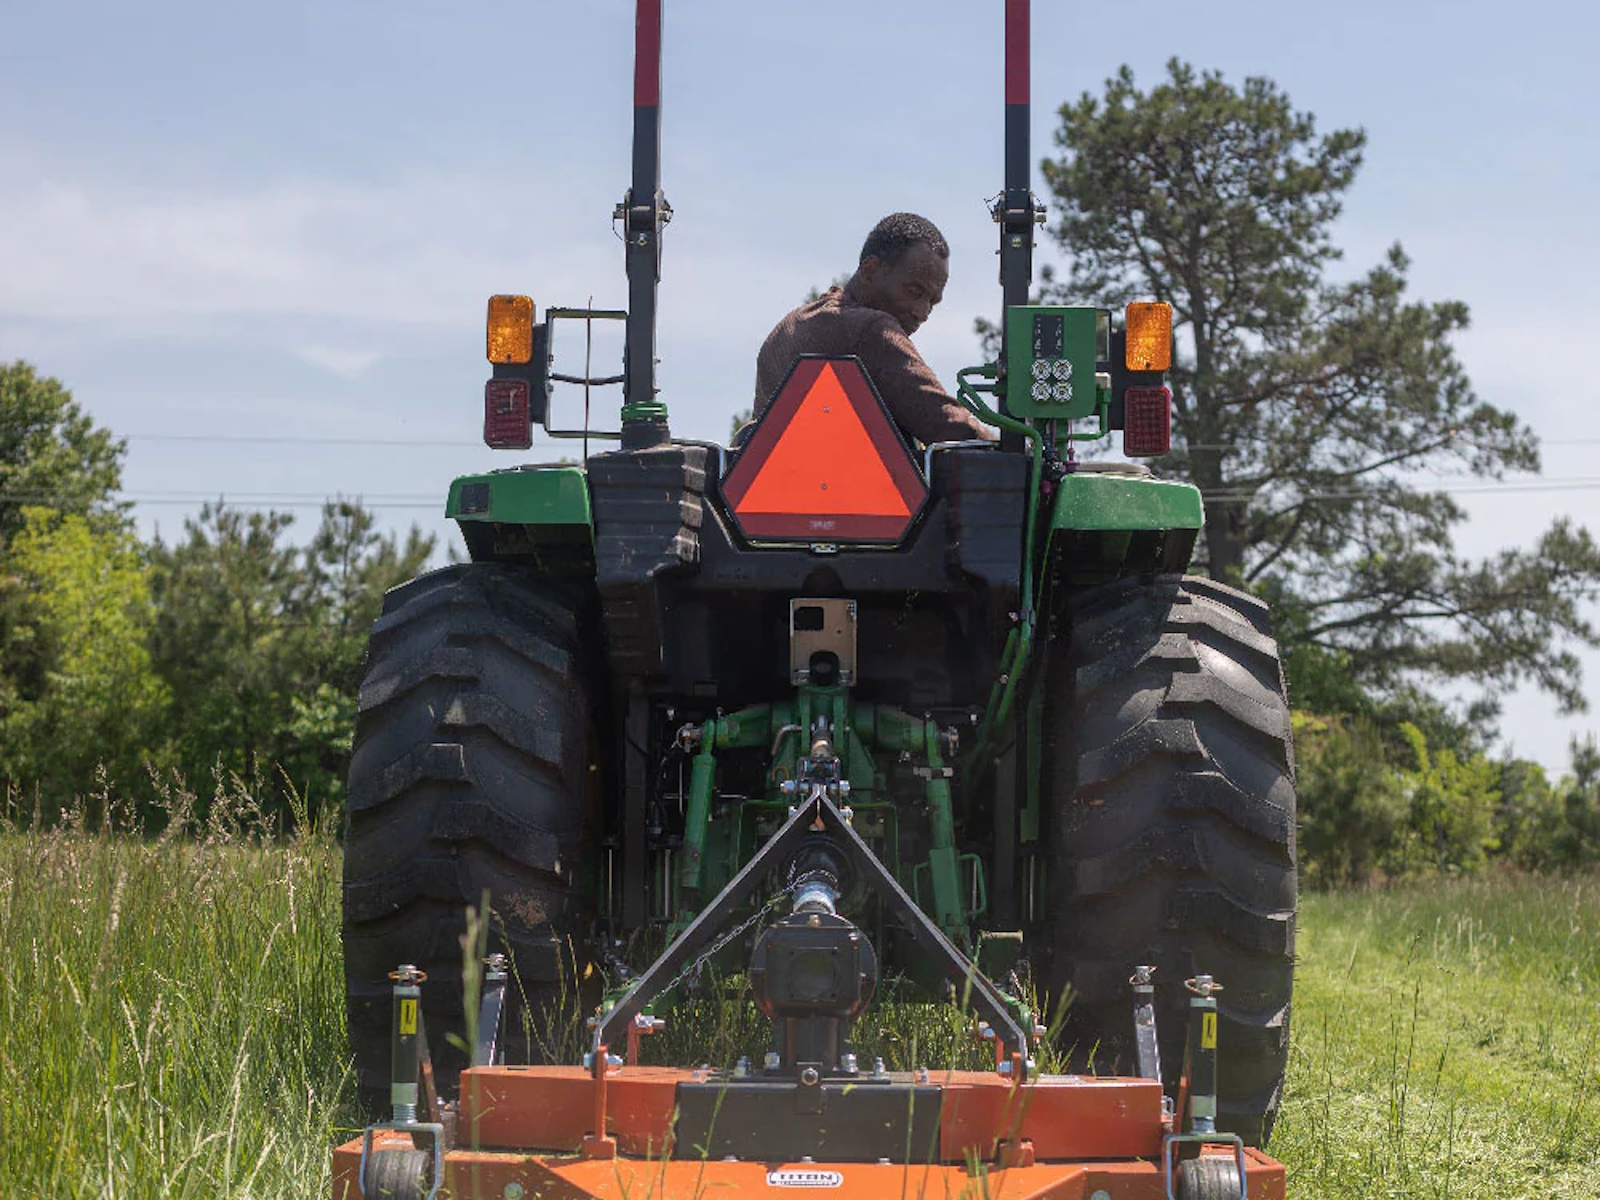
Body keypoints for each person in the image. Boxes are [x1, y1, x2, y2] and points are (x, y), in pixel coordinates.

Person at [753, 213, 995, 446]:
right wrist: (1011, 457)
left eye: (932, 302)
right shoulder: (869, 330)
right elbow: (947, 425)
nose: (922, 313)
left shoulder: (788, 327)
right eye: (913, 291)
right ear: (870, 270)